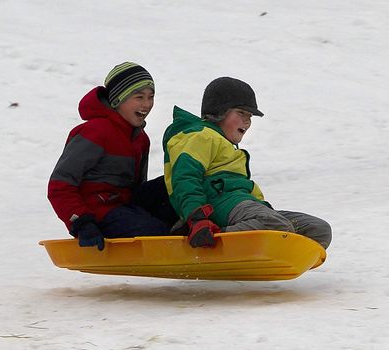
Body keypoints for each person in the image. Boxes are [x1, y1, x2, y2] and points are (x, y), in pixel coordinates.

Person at [162, 77, 332, 249]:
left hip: (241, 205)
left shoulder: (228, 146)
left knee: (319, 230)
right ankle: (208, 237)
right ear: (219, 111)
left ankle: (271, 253)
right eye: (241, 113)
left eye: (250, 116)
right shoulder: (200, 136)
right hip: (214, 207)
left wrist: (261, 207)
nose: (248, 121)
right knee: (275, 225)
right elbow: (185, 177)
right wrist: (196, 218)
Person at [48, 62, 176, 250]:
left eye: (151, 97)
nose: (147, 104)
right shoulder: (94, 132)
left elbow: (138, 189)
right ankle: (164, 233)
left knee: (175, 182)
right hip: (97, 213)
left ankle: (186, 226)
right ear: (117, 100)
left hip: (126, 207)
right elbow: (59, 186)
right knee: (154, 232)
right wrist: (82, 223)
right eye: (139, 97)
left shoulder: (140, 138)